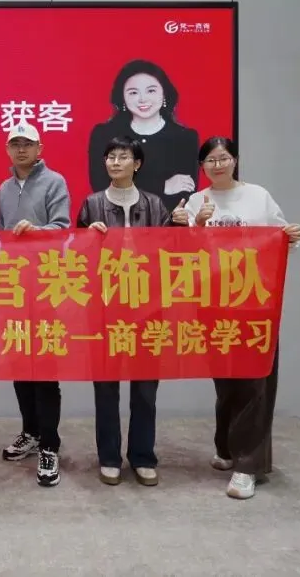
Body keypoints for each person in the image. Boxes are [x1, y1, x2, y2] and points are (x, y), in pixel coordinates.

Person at [174, 136, 300, 500]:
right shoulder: (196, 201)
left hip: (254, 301)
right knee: (226, 380)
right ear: (202, 166)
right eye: (210, 160)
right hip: (213, 302)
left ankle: (249, 466)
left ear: (235, 160)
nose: (217, 165)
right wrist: (194, 226)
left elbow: (282, 239)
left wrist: (291, 235)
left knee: (255, 381)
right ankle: (227, 448)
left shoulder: (258, 196)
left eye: (223, 158)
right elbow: (185, 253)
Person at [77, 137, 184, 487]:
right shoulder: (92, 204)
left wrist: (180, 225)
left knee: (145, 388)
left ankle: (143, 456)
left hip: (146, 306)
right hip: (105, 307)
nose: (115, 162)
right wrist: (87, 236)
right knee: (106, 387)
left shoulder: (155, 205)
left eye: (123, 156)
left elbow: (170, 252)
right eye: (110, 156)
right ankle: (109, 457)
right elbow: (74, 257)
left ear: (137, 164)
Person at [0, 122, 71, 487]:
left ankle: (50, 445)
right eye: (16, 144)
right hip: (13, 287)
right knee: (19, 366)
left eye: (28, 144)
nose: (21, 149)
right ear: (8, 150)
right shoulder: (3, 189)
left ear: (40, 148)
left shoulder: (54, 182)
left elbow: (63, 228)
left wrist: (38, 232)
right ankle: (31, 432)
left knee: (44, 370)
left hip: (45, 287)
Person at [86, 59, 200, 212]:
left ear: (164, 93)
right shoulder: (104, 134)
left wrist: (129, 183)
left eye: (151, 91)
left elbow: (185, 190)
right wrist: (163, 186)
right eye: (133, 92)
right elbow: (102, 185)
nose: (142, 99)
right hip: (117, 219)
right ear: (123, 98)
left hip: (167, 221)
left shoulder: (185, 138)